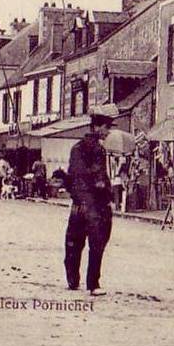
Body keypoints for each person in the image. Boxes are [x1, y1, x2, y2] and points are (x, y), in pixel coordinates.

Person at [64, 112, 115, 295]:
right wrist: (108, 198)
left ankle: (72, 280)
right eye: (107, 127)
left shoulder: (76, 148)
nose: (108, 132)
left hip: (78, 204)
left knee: (73, 243)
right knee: (97, 244)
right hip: (94, 205)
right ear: (97, 127)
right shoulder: (98, 150)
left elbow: (70, 176)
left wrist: (76, 195)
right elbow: (99, 178)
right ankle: (93, 284)